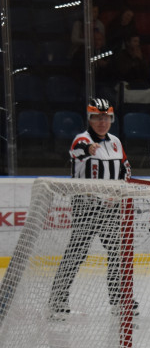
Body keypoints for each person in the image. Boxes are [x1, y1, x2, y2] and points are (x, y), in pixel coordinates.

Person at [48, 98, 132, 320]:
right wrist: (89, 148)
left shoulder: (115, 142)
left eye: (106, 117)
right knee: (76, 252)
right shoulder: (81, 139)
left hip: (111, 208)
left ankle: (119, 300)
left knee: (117, 252)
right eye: (97, 117)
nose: (102, 122)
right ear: (90, 119)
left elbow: (125, 168)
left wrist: (120, 191)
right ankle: (57, 299)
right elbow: (77, 151)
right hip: (86, 206)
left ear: (111, 119)